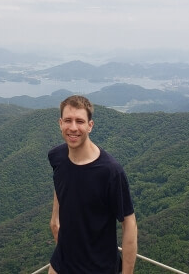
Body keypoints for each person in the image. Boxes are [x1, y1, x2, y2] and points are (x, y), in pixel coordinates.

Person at [48, 95, 137, 274]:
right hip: (62, 262)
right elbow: (60, 180)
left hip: (99, 267)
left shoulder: (110, 172)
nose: (73, 127)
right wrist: (55, 216)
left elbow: (129, 224)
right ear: (60, 123)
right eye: (68, 120)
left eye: (80, 121)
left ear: (90, 126)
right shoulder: (56, 156)